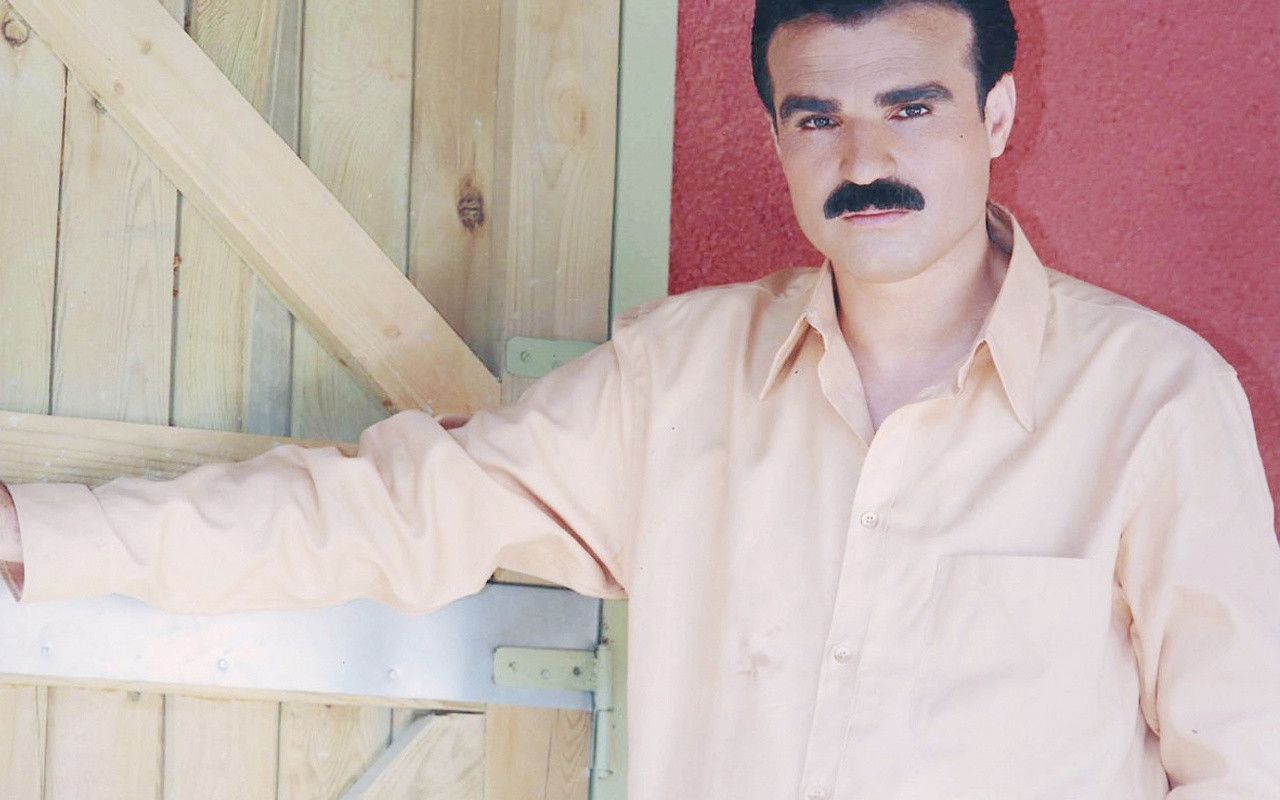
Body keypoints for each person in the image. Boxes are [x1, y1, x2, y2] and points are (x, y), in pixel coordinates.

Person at [3, 0, 1279, 796]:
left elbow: (1242, 758)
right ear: (775, 137)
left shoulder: (1156, 401)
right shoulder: (675, 380)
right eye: (817, 117)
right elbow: (385, 510)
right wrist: (32, 535)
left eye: (910, 106)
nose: (865, 157)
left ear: (996, 114)